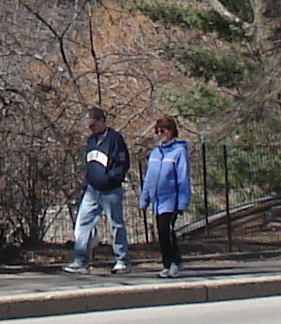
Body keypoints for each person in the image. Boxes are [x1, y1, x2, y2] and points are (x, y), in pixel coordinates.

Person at [64, 107, 131, 274]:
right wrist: (87, 184)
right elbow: (90, 166)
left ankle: (121, 260)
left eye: (93, 124)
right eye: (88, 125)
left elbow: (122, 164)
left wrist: (111, 179)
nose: (91, 128)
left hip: (111, 191)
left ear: (102, 121)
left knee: (116, 224)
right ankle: (81, 260)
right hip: (92, 191)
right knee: (83, 223)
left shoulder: (115, 139)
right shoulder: (91, 141)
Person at [140, 113, 192, 278]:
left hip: (171, 200)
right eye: (158, 131)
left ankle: (172, 263)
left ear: (172, 131)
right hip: (157, 200)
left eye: (164, 130)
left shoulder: (179, 152)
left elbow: (183, 177)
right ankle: (171, 262)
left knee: (165, 230)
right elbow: (149, 177)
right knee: (163, 233)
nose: (161, 134)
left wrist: (182, 202)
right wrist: (145, 198)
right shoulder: (155, 153)